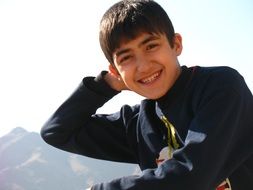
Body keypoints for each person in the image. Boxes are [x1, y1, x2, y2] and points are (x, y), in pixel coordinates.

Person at [40, 0, 253, 190]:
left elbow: (191, 177)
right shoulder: (136, 123)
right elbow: (57, 132)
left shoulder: (221, 86)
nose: (143, 66)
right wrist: (105, 85)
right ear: (115, 70)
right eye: (126, 58)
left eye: (150, 46)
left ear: (176, 44)